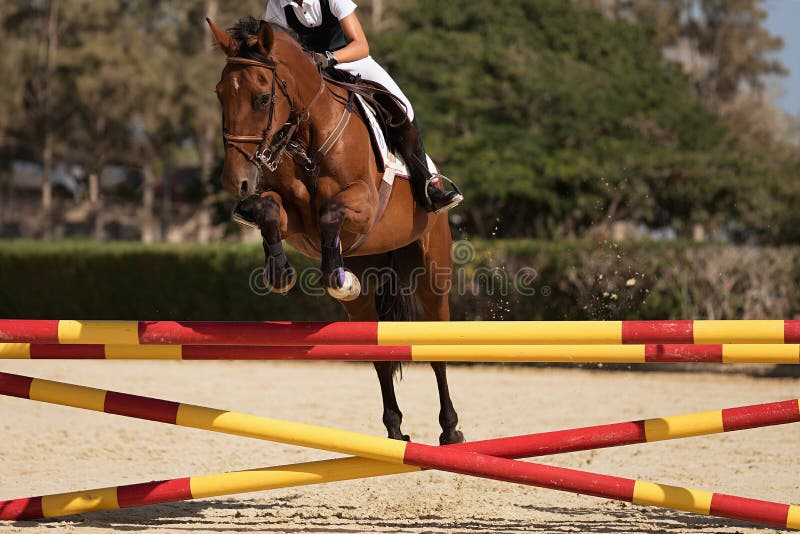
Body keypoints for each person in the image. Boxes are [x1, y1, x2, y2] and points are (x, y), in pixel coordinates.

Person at [264, 0, 463, 213]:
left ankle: (427, 184)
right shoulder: (277, 4)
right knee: (267, 109)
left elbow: (360, 45)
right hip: (310, 72)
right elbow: (271, 45)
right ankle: (262, 190)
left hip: (350, 61)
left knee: (402, 106)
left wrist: (328, 58)